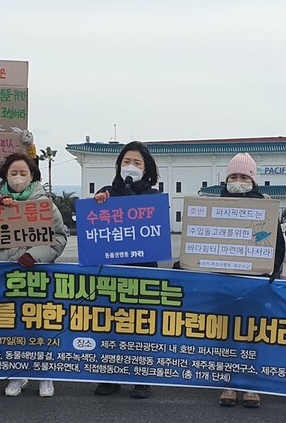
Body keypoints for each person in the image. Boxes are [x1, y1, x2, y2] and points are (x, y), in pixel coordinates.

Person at [0, 152, 68, 398]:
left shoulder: (45, 204)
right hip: (1, 276)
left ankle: (45, 374)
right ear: (4, 176)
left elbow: (60, 236)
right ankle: (17, 373)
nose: (18, 178)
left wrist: (36, 255)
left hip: (35, 275)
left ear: (32, 176)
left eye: (23, 173)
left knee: (38, 324)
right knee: (10, 327)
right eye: (13, 173)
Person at [210, 152, 284, 409]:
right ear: (226, 180)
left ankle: (251, 384)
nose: (238, 181)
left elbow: (278, 245)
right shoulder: (213, 207)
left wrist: (272, 272)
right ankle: (229, 382)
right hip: (224, 283)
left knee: (253, 334)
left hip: (255, 283)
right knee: (226, 334)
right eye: (234, 176)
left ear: (253, 180)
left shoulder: (266, 207)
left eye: (243, 176)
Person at [90, 141, 161, 400]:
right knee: (110, 324)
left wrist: (130, 199)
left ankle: (141, 378)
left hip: (143, 272)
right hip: (111, 272)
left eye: (137, 163)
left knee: (140, 325)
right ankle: (110, 376)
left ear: (146, 169)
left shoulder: (153, 196)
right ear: (119, 165)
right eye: (126, 162)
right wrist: (99, 201)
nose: (131, 166)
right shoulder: (107, 192)